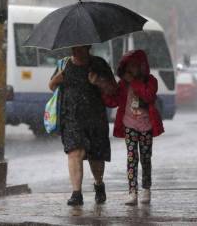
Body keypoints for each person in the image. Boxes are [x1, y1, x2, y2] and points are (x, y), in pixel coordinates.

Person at [49, 45, 116, 206]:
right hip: (71, 117)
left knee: (96, 157)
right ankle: (76, 193)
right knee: (74, 152)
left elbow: (113, 89)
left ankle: (99, 184)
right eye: (72, 47)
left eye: (78, 48)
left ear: (88, 47)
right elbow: (52, 86)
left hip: (95, 118)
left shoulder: (99, 64)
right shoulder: (64, 64)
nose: (74, 50)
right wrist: (56, 79)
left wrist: (99, 81)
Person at [102, 50, 164, 205]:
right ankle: (132, 192)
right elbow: (113, 101)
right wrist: (103, 89)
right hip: (129, 125)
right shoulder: (123, 84)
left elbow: (148, 96)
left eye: (135, 66)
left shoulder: (151, 81)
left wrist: (135, 82)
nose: (132, 69)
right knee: (131, 157)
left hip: (146, 126)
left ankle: (146, 189)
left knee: (145, 158)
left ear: (142, 67)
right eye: (129, 66)